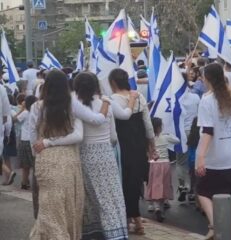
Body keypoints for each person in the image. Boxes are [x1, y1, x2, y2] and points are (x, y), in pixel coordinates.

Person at [29, 70, 84, 239]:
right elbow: (78, 136)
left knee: (49, 207)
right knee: (69, 206)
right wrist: (53, 141)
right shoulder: (73, 106)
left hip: (45, 160)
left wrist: (45, 144)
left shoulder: (36, 107)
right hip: (69, 160)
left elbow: (33, 136)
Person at [73, 72, 128, 240]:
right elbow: (113, 137)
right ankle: (115, 233)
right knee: (110, 196)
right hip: (105, 154)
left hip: (85, 155)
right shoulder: (107, 104)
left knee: (89, 196)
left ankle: (92, 231)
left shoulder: (76, 107)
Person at [196, 63, 231, 240]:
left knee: (203, 191)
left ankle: (216, 225)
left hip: (214, 158)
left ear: (207, 78)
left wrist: (200, 157)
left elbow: (207, 131)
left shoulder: (207, 101)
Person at [109, 68, 156, 235]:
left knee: (122, 183)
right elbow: (148, 124)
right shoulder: (139, 97)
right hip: (139, 145)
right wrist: (152, 145)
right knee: (135, 182)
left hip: (121, 147)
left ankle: (131, 220)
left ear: (113, 82)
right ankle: (135, 219)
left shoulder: (112, 100)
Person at [146, 117, 179, 222]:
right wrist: (169, 133)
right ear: (160, 127)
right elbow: (177, 140)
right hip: (165, 163)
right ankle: (161, 207)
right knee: (164, 185)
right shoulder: (165, 137)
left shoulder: (148, 138)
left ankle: (156, 207)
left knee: (155, 185)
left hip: (153, 164)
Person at [176, 87, 200, 203]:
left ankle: (182, 186)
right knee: (193, 161)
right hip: (194, 131)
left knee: (180, 162)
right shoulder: (195, 97)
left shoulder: (175, 98)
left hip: (181, 132)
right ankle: (193, 190)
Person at [13, 95, 37, 190]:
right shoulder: (35, 112)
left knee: (25, 165)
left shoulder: (26, 113)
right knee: (34, 164)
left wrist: (21, 109)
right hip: (32, 140)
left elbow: (14, 119)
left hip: (24, 141)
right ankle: (34, 183)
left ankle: (24, 182)